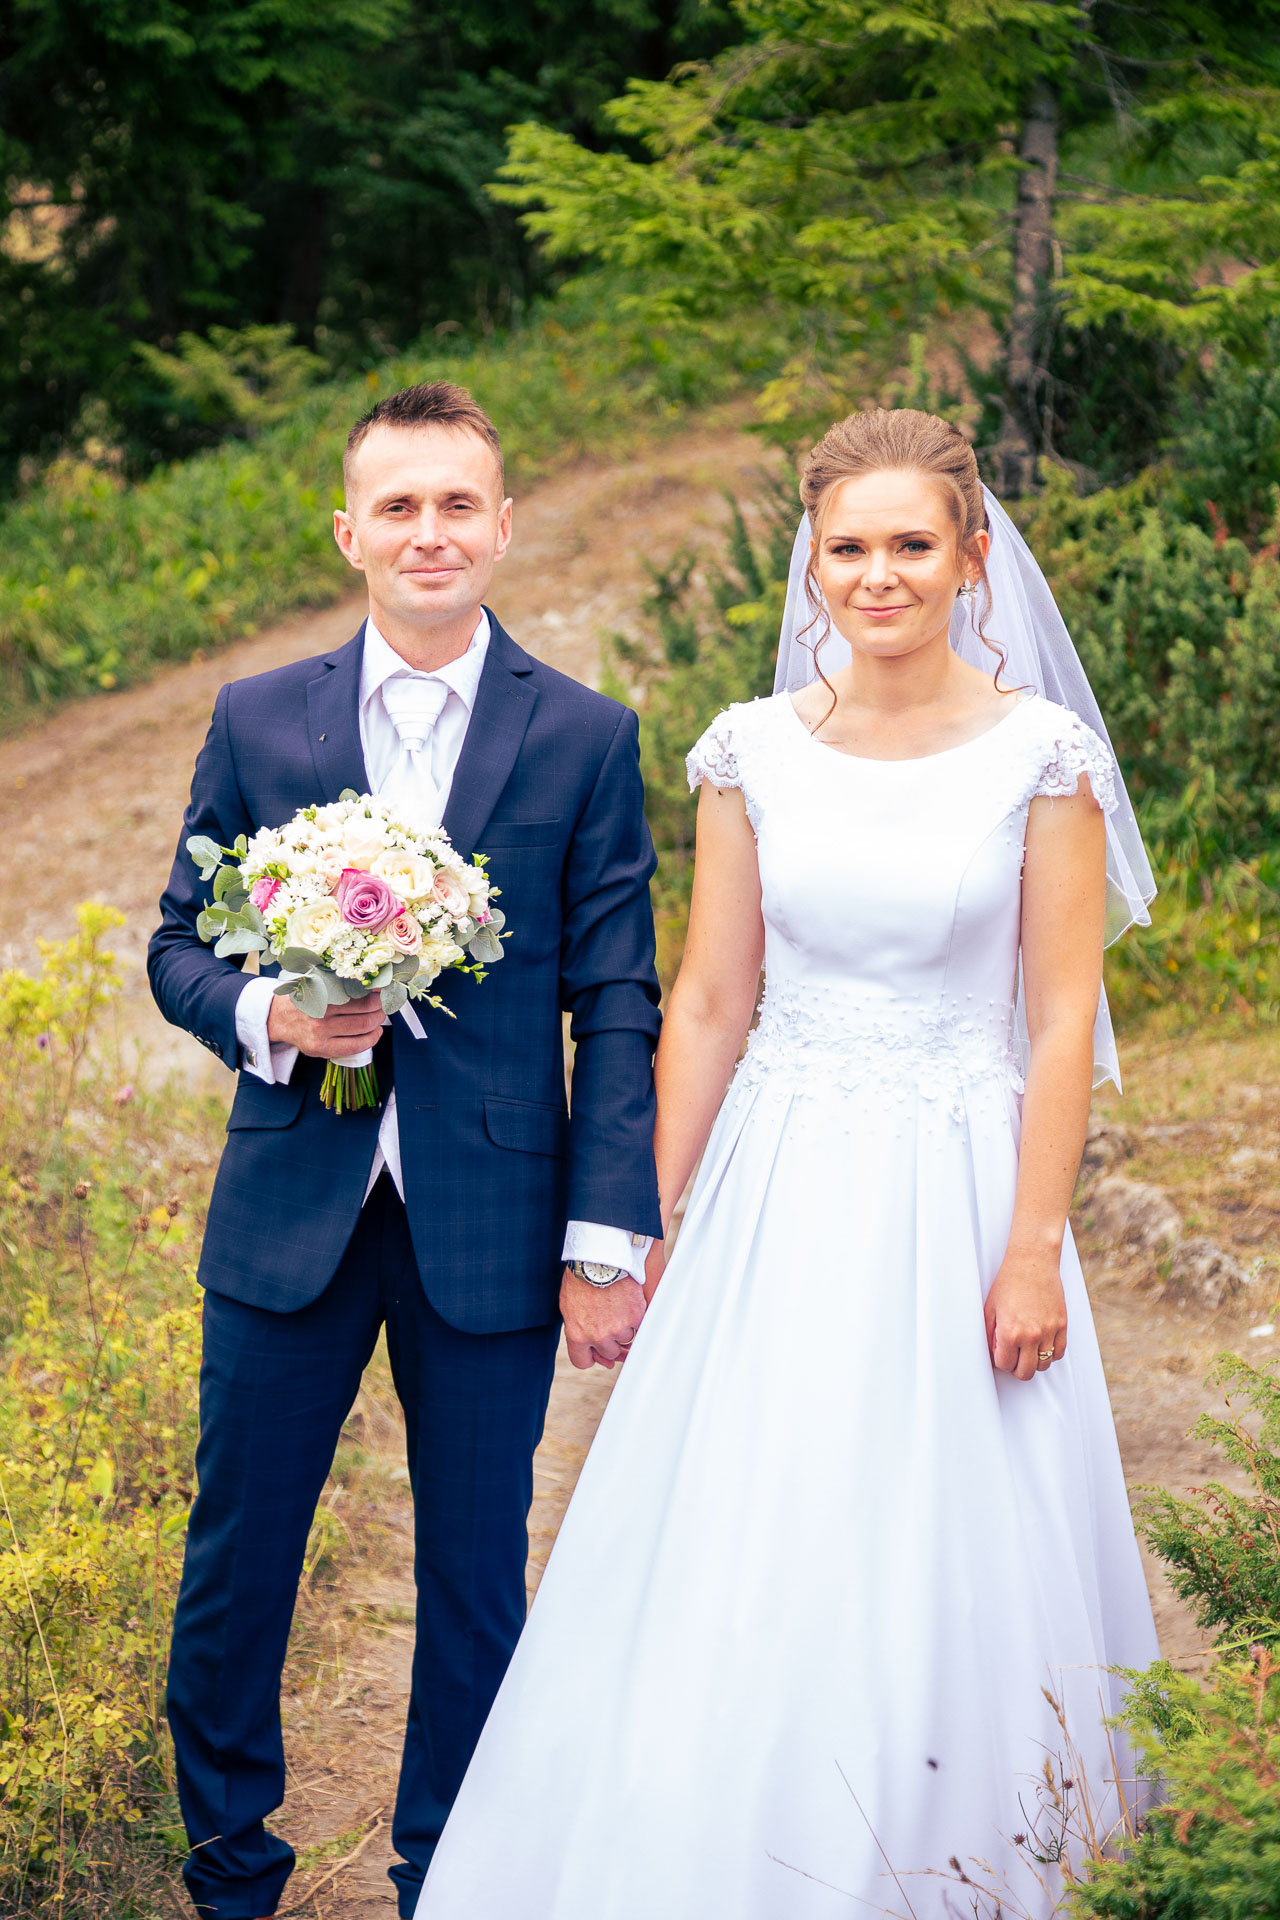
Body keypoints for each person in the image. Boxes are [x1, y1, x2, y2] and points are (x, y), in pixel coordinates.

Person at [413, 407, 1161, 1919]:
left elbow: (1060, 1018)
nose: (880, 575)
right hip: (780, 1184)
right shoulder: (752, 752)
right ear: (810, 563)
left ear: (971, 558)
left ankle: (949, 1858)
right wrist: (633, 1224)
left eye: (912, 546)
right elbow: (707, 1000)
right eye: (849, 548)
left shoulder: (1041, 757)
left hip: (961, 1182)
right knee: (752, 1512)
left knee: (944, 1524)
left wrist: (1031, 1245)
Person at [147, 381, 663, 1919]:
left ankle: (449, 1869)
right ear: (349, 533)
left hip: (494, 1219)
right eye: (398, 506)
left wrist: (605, 1238)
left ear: (502, 526)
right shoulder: (259, 717)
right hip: (286, 1211)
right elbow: (177, 945)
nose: (428, 531)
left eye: (456, 504)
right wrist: (272, 1016)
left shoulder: (583, 734)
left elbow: (615, 999)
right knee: (238, 1560)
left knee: (475, 1575)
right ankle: (231, 1867)